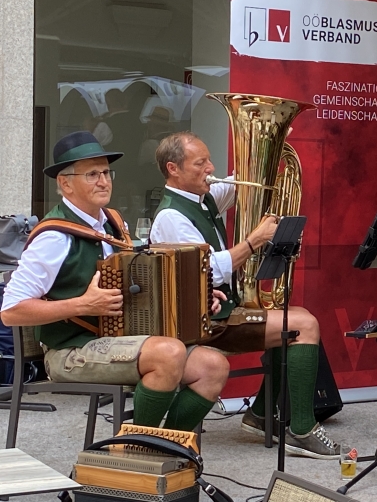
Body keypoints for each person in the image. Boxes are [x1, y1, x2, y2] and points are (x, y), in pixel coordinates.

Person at [0, 131, 230, 432]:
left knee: (213, 366)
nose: (103, 181)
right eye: (92, 174)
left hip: (118, 339)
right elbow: (11, 310)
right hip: (69, 352)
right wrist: (83, 304)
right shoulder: (53, 237)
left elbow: (140, 282)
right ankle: (135, 448)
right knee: (168, 353)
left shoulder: (113, 223)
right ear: (65, 183)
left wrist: (197, 295)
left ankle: (167, 443)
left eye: (106, 173)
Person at [149, 131, 342, 458]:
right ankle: (301, 429)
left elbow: (246, 181)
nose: (210, 168)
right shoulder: (172, 216)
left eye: (209, 160)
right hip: (200, 322)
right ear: (173, 169)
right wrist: (255, 241)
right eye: (200, 163)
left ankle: (262, 415)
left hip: (220, 311)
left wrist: (271, 143)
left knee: (292, 318)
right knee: (303, 325)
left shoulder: (201, 196)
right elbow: (208, 271)